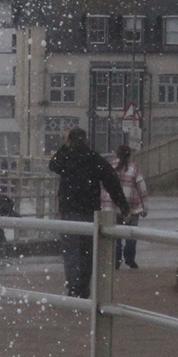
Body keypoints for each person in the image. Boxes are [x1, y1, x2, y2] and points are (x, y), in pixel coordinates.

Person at [47, 127, 128, 299]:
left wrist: (65, 146)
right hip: (89, 212)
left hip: (68, 211)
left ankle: (73, 287)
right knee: (86, 253)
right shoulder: (94, 159)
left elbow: (53, 164)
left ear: (70, 141)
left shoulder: (66, 157)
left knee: (70, 253)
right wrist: (123, 206)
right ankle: (83, 287)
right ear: (86, 141)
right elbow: (111, 182)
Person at [104, 142, 150, 268]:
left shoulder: (111, 166)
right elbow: (142, 188)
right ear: (130, 155)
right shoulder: (134, 168)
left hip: (112, 206)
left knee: (116, 236)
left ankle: (116, 260)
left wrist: (104, 203)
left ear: (117, 154)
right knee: (131, 233)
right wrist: (145, 206)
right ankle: (130, 259)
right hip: (132, 206)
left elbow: (104, 186)